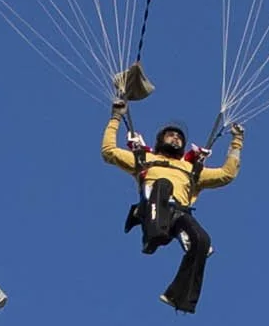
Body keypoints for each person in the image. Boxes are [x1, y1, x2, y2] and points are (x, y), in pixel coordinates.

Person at [103, 102, 244, 313]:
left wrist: (236, 142)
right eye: (170, 135)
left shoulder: (191, 169)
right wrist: (115, 117)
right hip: (152, 205)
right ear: (160, 140)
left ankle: (178, 297)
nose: (175, 138)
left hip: (178, 213)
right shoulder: (144, 159)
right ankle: (153, 235)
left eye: (179, 137)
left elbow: (227, 175)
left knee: (202, 241)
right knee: (163, 185)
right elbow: (109, 151)